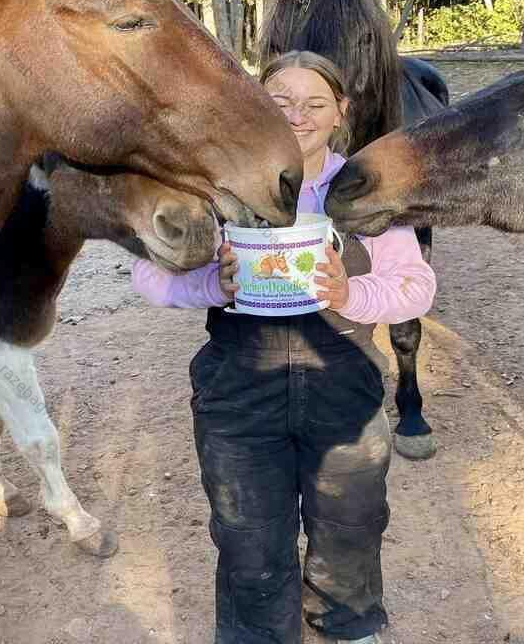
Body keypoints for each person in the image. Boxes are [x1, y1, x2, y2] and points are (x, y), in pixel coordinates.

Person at [133, 51, 436, 644]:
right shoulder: (217, 189)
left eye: (315, 103)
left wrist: (352, 294)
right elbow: (148, 276)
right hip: (238, 395)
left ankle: (347, 627)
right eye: (281, 102)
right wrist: (208, 283)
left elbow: (417, 286)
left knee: (351, 526)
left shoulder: (369, 189)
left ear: (340, 112)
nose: (298, 116)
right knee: (248, 536)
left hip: (342, 389)